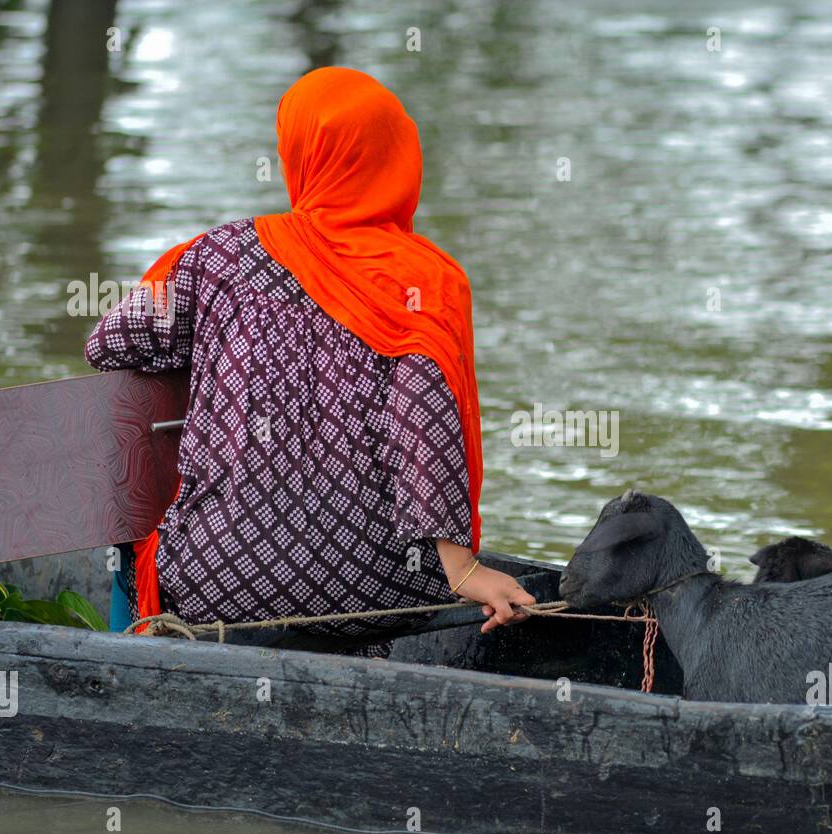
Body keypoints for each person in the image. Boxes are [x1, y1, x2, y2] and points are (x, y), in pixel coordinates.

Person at [87, 67, 534, 650]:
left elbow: (110, 345)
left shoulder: (217, 257)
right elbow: (422, 419)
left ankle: (130, 668)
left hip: (218, 581)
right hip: (381, 589)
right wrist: (464, 569)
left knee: (128, 535)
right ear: (399, 160)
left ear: (300, 154)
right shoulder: (425, 281)